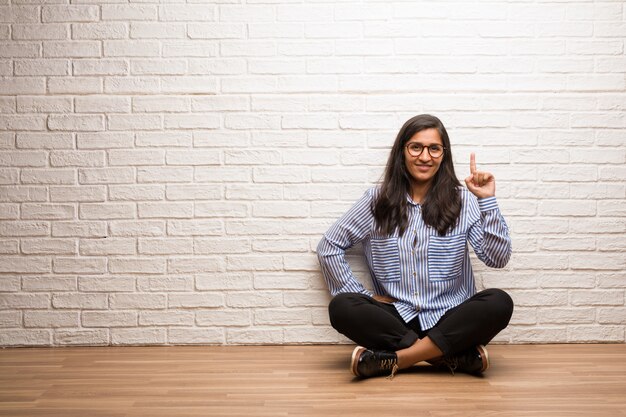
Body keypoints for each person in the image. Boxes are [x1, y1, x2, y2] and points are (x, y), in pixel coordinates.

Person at [317, 114, 514, 379]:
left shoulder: (465, 201)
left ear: (444, 154)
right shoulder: (377, 201)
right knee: (342, 306)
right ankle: (450, 357)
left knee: (499, 302)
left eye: (434, 148)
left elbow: (497, 258)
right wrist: (365, 296)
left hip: (450, 318)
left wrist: (487, 201)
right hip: (397, 319)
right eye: (416, 147)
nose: (425, 157)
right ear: (402, 152)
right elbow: (329, 246)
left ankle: (394, 360)